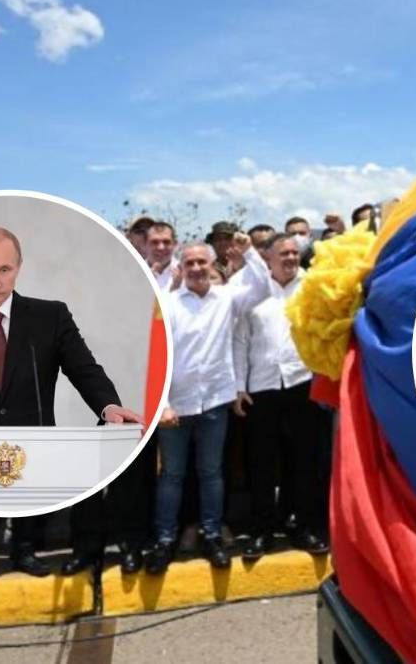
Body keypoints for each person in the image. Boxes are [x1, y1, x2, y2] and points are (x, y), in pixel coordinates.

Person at [0, 226, 140, 586]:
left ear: (19, 267)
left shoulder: (51, 316)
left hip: (35, 439)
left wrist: (108, 406)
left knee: (33, 494)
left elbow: (84, 369)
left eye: (5, 269)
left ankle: (25, 551)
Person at [146, 233, 271, 575]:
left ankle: (213, 535)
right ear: (182, 267)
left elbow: (263, 287)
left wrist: (249, 252)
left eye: (202, 262)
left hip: (214, 403)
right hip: (176, 406)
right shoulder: (168, 303)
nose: (197, 268)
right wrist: (162, 404)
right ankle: (165, 539)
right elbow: (155, 355)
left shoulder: (226, 299)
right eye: (190, 263)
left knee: (211, 473)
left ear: (212, 264)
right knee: (172, 475)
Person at [233, 234, 330, 559]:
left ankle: (302, 526)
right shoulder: (253, 290)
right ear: (269, 258)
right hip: (261, 387)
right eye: (283, 253)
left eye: (293, 253)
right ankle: (262, 531)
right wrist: (239, 386)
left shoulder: (312, 286)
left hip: (303, 383)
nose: (290, 258)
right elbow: (240, 341)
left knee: (303, 460)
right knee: (261, 462)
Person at [144, 221, 178, 291]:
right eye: (155, 242)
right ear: (145, 244)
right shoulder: (132, 274)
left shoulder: (188, 273)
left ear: (175, 244)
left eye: (166, 242)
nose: (161, 247)